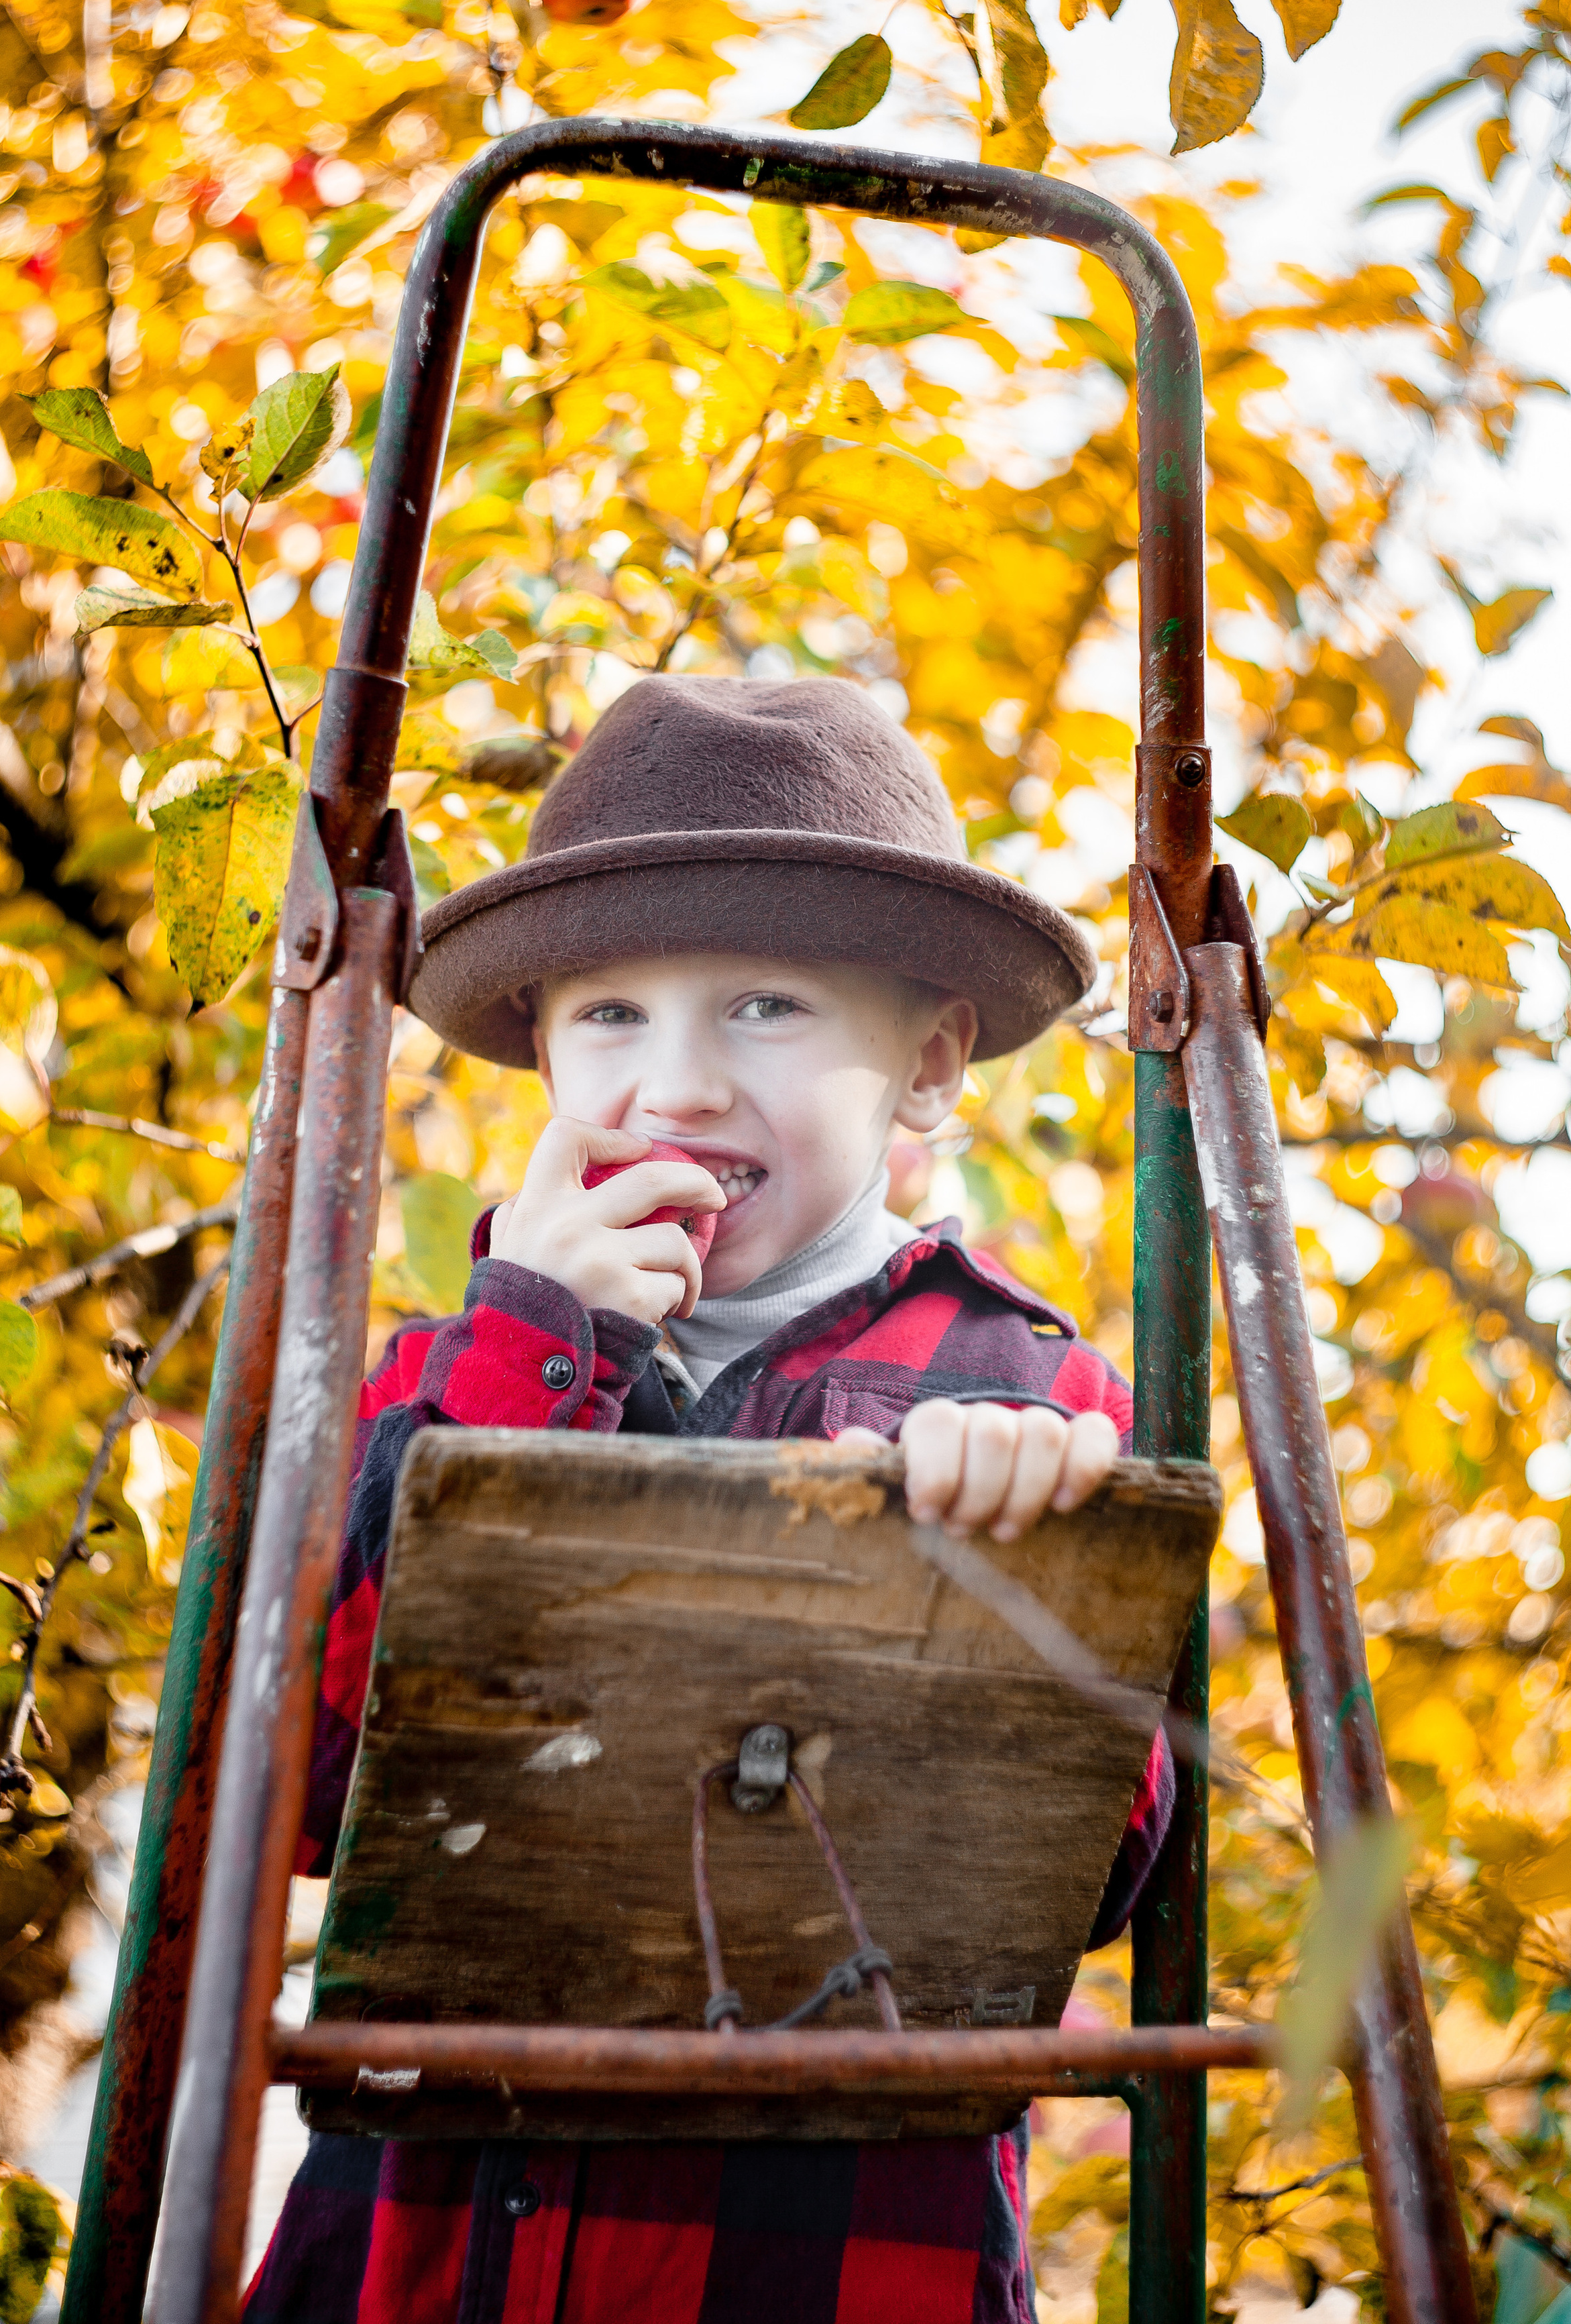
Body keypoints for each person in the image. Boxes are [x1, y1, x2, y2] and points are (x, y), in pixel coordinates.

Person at [246, 676, 1169, 2324]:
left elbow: (1087, 1884)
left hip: (819, 2250)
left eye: (761, 1006)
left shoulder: (1030, 1394)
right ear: (539, 1047)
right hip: (439, 2236)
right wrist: (534, 1350)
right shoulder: (423, 1381)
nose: (668, 1087)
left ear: (931, 1061)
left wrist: (1016, 1573)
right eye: (606, 1016)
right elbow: (304, 1798)